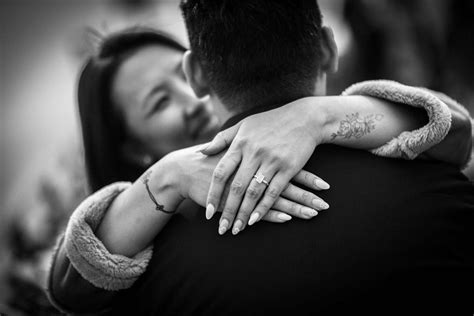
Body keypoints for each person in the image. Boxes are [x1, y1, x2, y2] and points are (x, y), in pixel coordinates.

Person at [47, 17, 473, 315]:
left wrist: (317, 115)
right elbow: (70, 286)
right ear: (134, 149)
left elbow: (454, 132)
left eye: (181, 76)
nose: (191, 101)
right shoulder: (137, 246)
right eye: (160, 102)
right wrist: (168, 174)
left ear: (198, 70)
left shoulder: (328, 127)